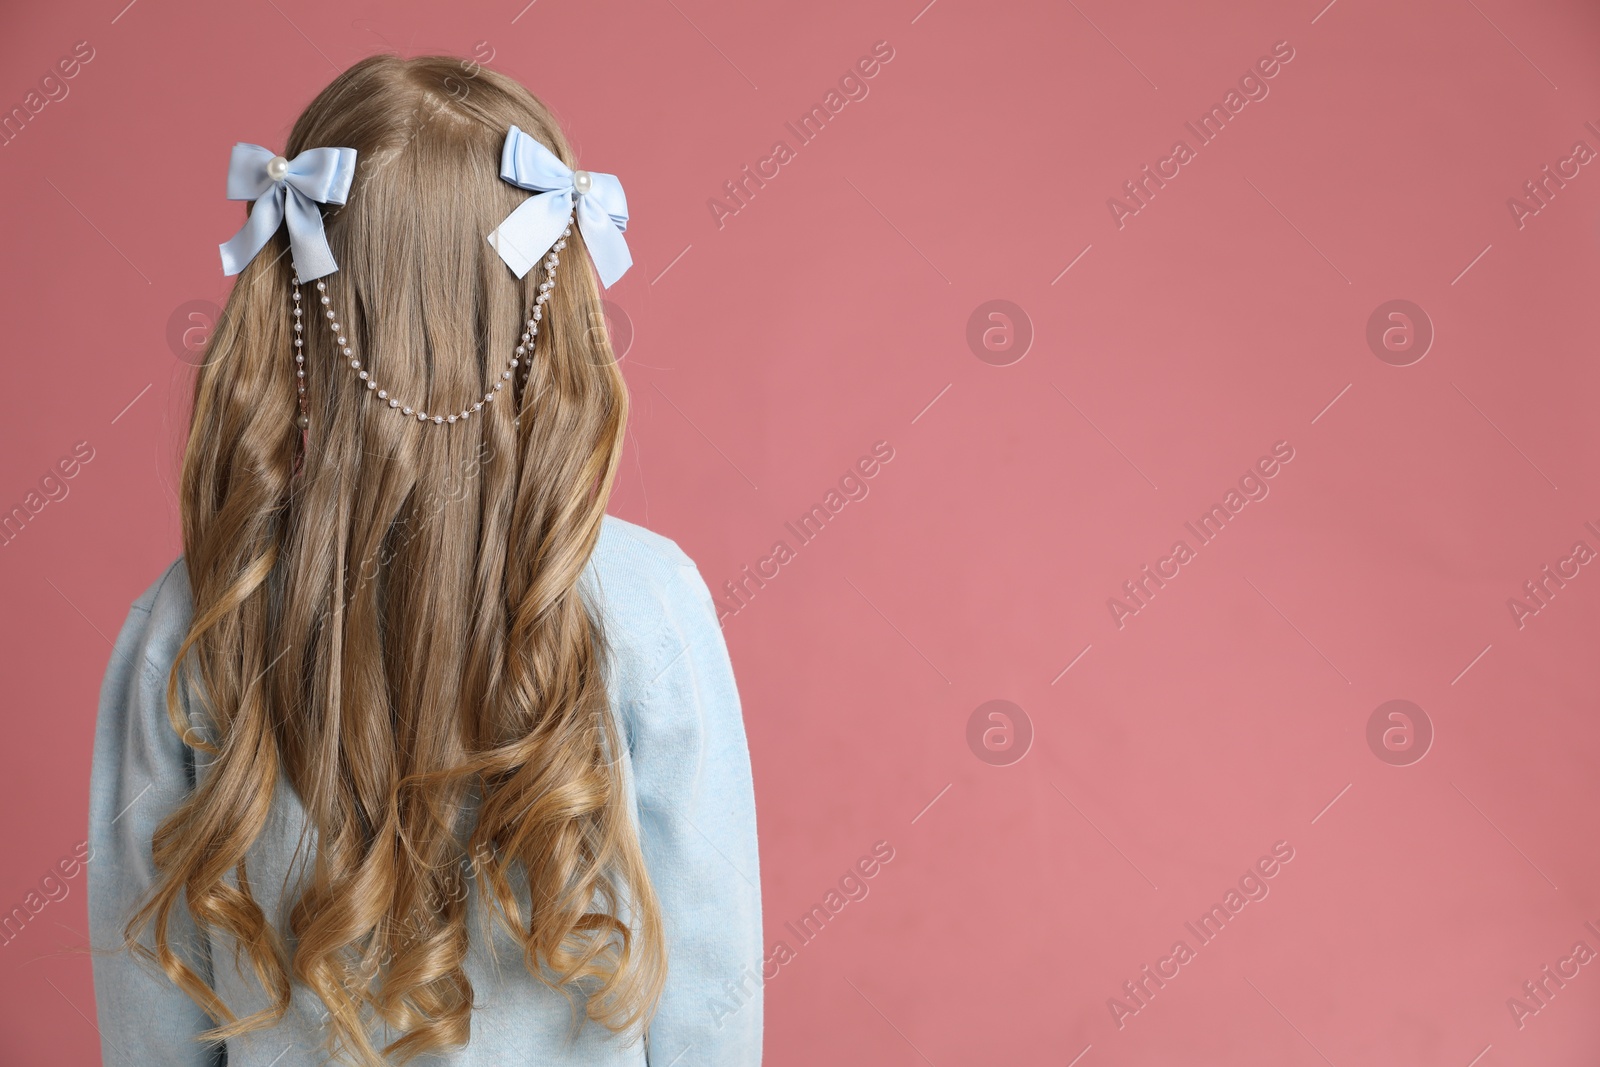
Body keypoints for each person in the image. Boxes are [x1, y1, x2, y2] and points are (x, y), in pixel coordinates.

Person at [86, 53, 761, 1067]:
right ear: (553, 298)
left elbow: (150, 1013)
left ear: (295, 298)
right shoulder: (648, 597)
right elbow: (711, 984)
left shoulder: (194, 615)